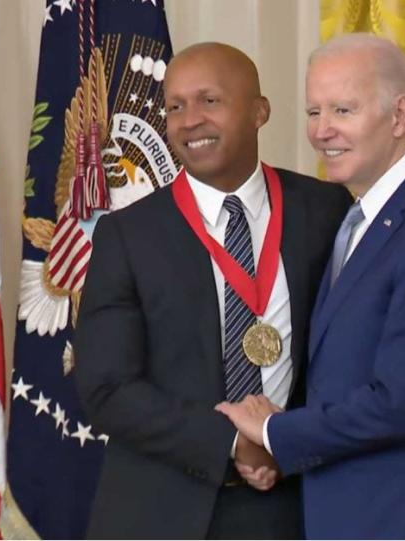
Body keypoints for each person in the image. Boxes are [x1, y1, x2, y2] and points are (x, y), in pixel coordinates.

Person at [216, 33, 405, 539]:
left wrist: (273, 431)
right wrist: (288, 453)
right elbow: (342, 377)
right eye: (313, 112)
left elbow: (397, 403)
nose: (322, 131)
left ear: (398, 116)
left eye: (342, 110)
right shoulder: (358, 219)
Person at [73, 42, 352, 539]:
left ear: (259, 111)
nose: (189, 120)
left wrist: (287, 442)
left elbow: (353, 348)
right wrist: (239, 443)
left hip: (297, 506)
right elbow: (106, 387)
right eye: (175, 106)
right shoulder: (127, 235)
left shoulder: (325, 209)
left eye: (209, 101)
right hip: (162, 513)